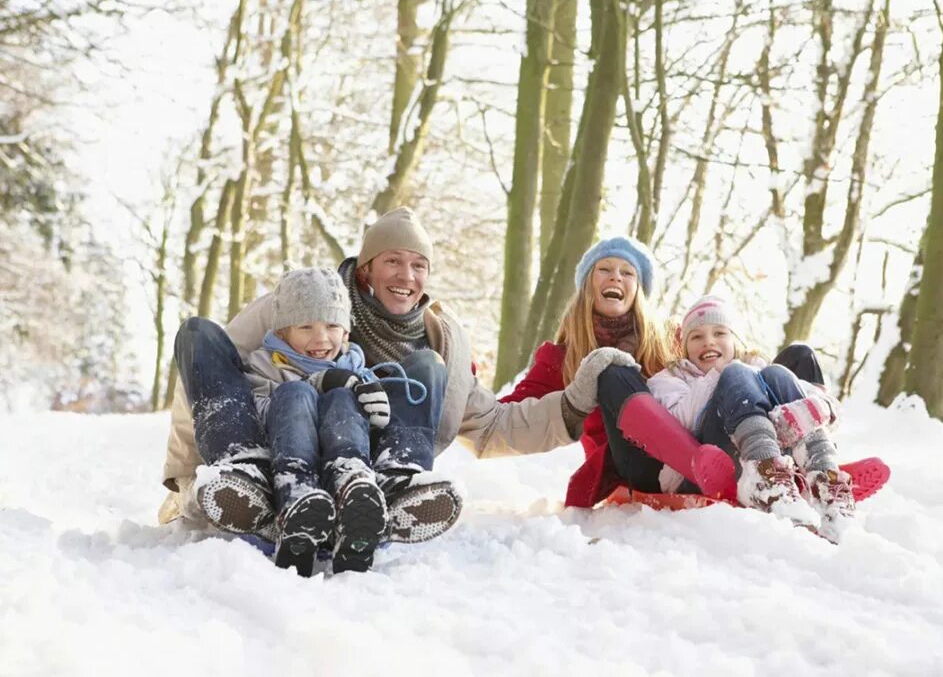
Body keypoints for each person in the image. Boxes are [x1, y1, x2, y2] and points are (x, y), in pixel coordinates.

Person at [159, 207, 623, 551]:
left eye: (418, 265)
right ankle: (247, 477)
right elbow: (211, 379)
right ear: (366, 270)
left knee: (426, 369)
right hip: (279, 443)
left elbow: (494, 426)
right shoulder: (306, 303)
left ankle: (392, 489)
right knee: (200, 335)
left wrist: (575, 402)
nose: (406, 276)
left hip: (364, 465)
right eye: (392, 262)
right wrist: (184, 479)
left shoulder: (443, 340)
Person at [501, 237, 738, 509]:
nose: (616, 277)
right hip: (636, 466)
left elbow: (718, 366)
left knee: (794, 358)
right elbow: (510, 415)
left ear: (637, 289)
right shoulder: (562, 358)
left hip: (703, 448)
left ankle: (779, 468)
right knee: (610, 368)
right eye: (605, 269)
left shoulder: (670, 337)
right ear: (588, 282)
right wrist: (461, 386)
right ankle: (698, 465)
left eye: (627, 273)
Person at [246, 266, 427, 576]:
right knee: (295, 393)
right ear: (281, 333)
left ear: (346, 332)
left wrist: (374, 411)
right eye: (305, 327)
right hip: (290, 467)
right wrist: (318, 382)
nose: (321, 338)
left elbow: (371, 428)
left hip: (342, 463)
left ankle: (354, 495)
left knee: (344, 399)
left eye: (332, 325)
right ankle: (298, 504)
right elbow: (259, 415)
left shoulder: (357, 369)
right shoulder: (265, 366)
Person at [648, 295, 855, 542]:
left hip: (773, 452)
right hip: (704, 458)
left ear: (735, 340)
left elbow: (827, 408)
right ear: (684, 347)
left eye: (719, 333)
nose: (708, 342)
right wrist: (722, 374)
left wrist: (821, 407)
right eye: (696, 337)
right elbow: (679, 422)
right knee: (738, 373)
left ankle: (826, 483)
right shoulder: (671, 378)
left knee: (777, 374)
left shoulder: (758, 368)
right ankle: (765, 479)